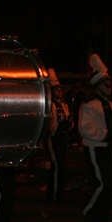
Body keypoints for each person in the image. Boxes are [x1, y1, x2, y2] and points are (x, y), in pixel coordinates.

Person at [79, 53, 112, 222]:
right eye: (105, 84)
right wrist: (107, 134)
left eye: (109, 83)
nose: (109, 87)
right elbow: (85, 128)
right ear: (97, 86)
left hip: (108, 147)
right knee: (102, 184)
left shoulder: (111, 104)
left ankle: (102, 218)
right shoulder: (89, 104)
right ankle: (89, 212)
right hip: (95, 148)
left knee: (109, 185)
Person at [46, 68, 71, 202]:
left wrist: (69, 125)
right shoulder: (50, 106)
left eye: (60, 89)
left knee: (59, 166)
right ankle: (55, 195)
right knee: (57, 165)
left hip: (62, 138)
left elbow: (67, 120)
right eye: (56, 90)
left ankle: (55, 192)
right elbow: (50, 124)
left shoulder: (64, 105)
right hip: (53, 138)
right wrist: (58, 127)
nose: (59, 92)